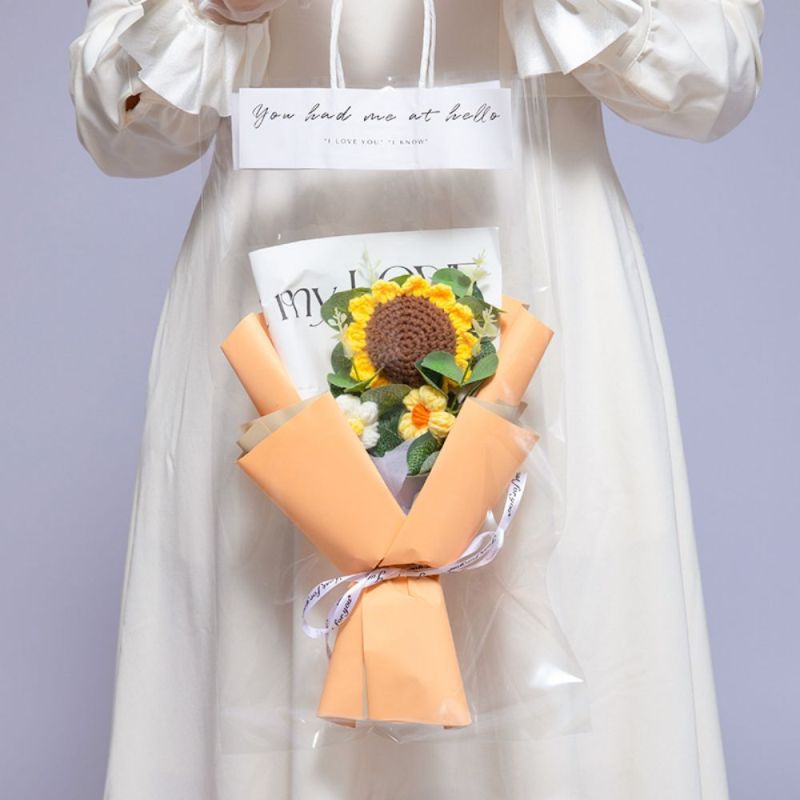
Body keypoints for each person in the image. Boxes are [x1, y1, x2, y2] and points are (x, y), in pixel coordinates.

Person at [70, 1, 764, 798]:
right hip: (278, 291)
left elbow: (713, 78)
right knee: (268, 675)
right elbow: (119, 128)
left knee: (560, 671)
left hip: (539, 283)